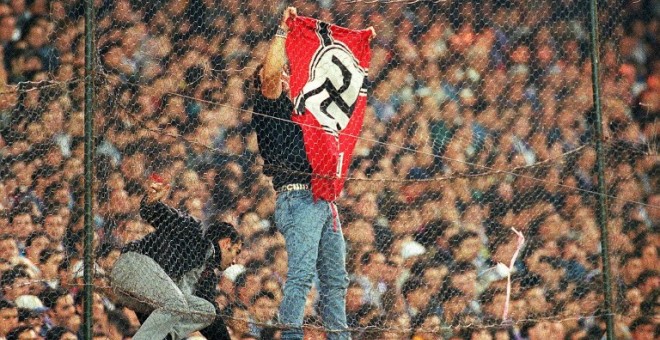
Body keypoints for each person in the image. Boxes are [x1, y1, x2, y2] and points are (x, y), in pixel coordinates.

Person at [251, 6, 372, 340]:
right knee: (302, 275)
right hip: (297, 196)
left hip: (322, 198)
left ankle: (339, 336)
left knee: (336, 280)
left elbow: (336, 85)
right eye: (285, 75)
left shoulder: (307, 113)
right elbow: (271, 74)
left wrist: (353, 54)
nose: (290, 77)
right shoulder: (270, 105)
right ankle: (290, 336)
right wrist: (282, 32)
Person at [109, 176, 243, 340]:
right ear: (226, 243)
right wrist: (151, 203)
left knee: (207, 310)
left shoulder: (207, 279)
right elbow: (158, 215)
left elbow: (214, 325)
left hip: (148, 297)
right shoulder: (191, 232)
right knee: (177, 303)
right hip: (132, 268)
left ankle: (166, 337)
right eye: (236, 251)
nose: (235, 260)